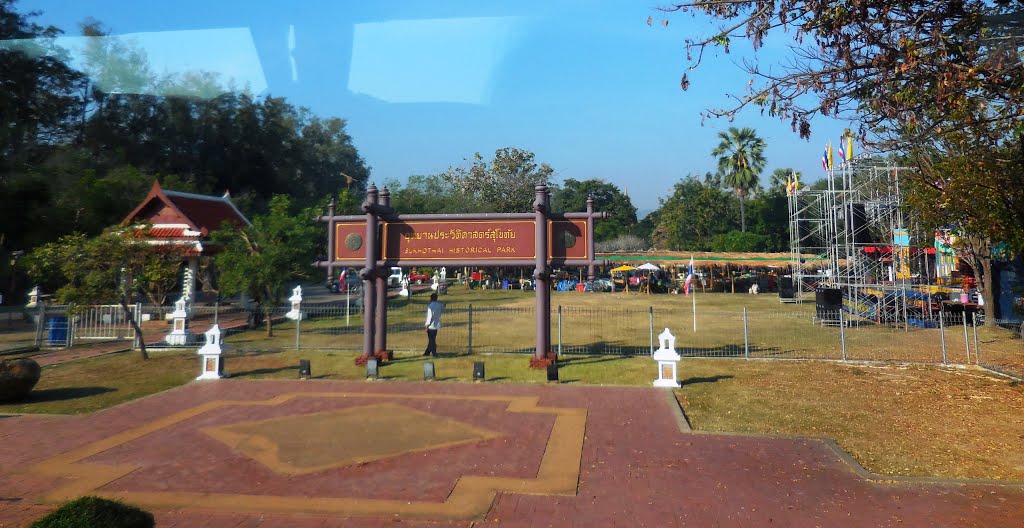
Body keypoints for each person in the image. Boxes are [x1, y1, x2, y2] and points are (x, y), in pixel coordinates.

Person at [422, 292, 445, 357]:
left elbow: (429, 317)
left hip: (431, 325)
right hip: (437, 324)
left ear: (431, 298)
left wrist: (426, 325)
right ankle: (427, 352)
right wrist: (444, 305)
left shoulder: (430, 306)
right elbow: (443, 309)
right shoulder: (439, 305)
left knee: (432, 340)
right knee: (432, 339)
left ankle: (434, 353)